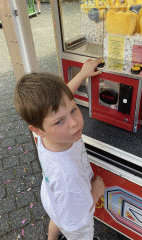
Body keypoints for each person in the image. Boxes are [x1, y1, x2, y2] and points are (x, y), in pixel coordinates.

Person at [14, 58, 106, 240]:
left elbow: (62, 101)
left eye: (73, 110)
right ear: (38, 130)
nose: (74, 123)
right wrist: (95, 192)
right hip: (75, 222)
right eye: (59, 121)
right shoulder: (68, 175)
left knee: (56, 219)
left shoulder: (45, 134)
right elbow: (77, 217)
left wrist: (82, 74)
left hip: (52, 198)